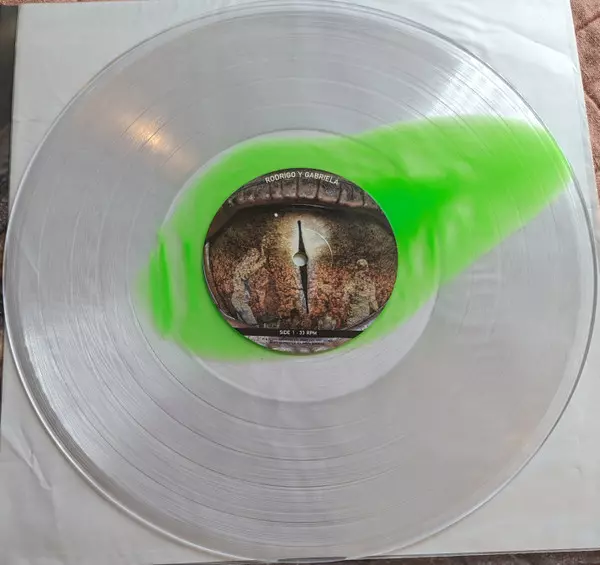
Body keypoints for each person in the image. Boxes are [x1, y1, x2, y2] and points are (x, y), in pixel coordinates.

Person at [230, 247, 266, 325]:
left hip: (240, 300)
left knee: (243, 323)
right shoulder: (243, 268)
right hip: (239, 301)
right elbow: (247, 273)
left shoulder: (242, 266)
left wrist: (262, 253)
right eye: (255, 257)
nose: (255, 260)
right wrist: (261, 261)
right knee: (251, 324)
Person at [343, 259, 378, 327]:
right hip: (364, 314)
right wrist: (377, 311)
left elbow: (345, 299)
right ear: (366, 268)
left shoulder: (350, 282)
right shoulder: (370, 283)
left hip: (353, 313)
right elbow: (372, 301)